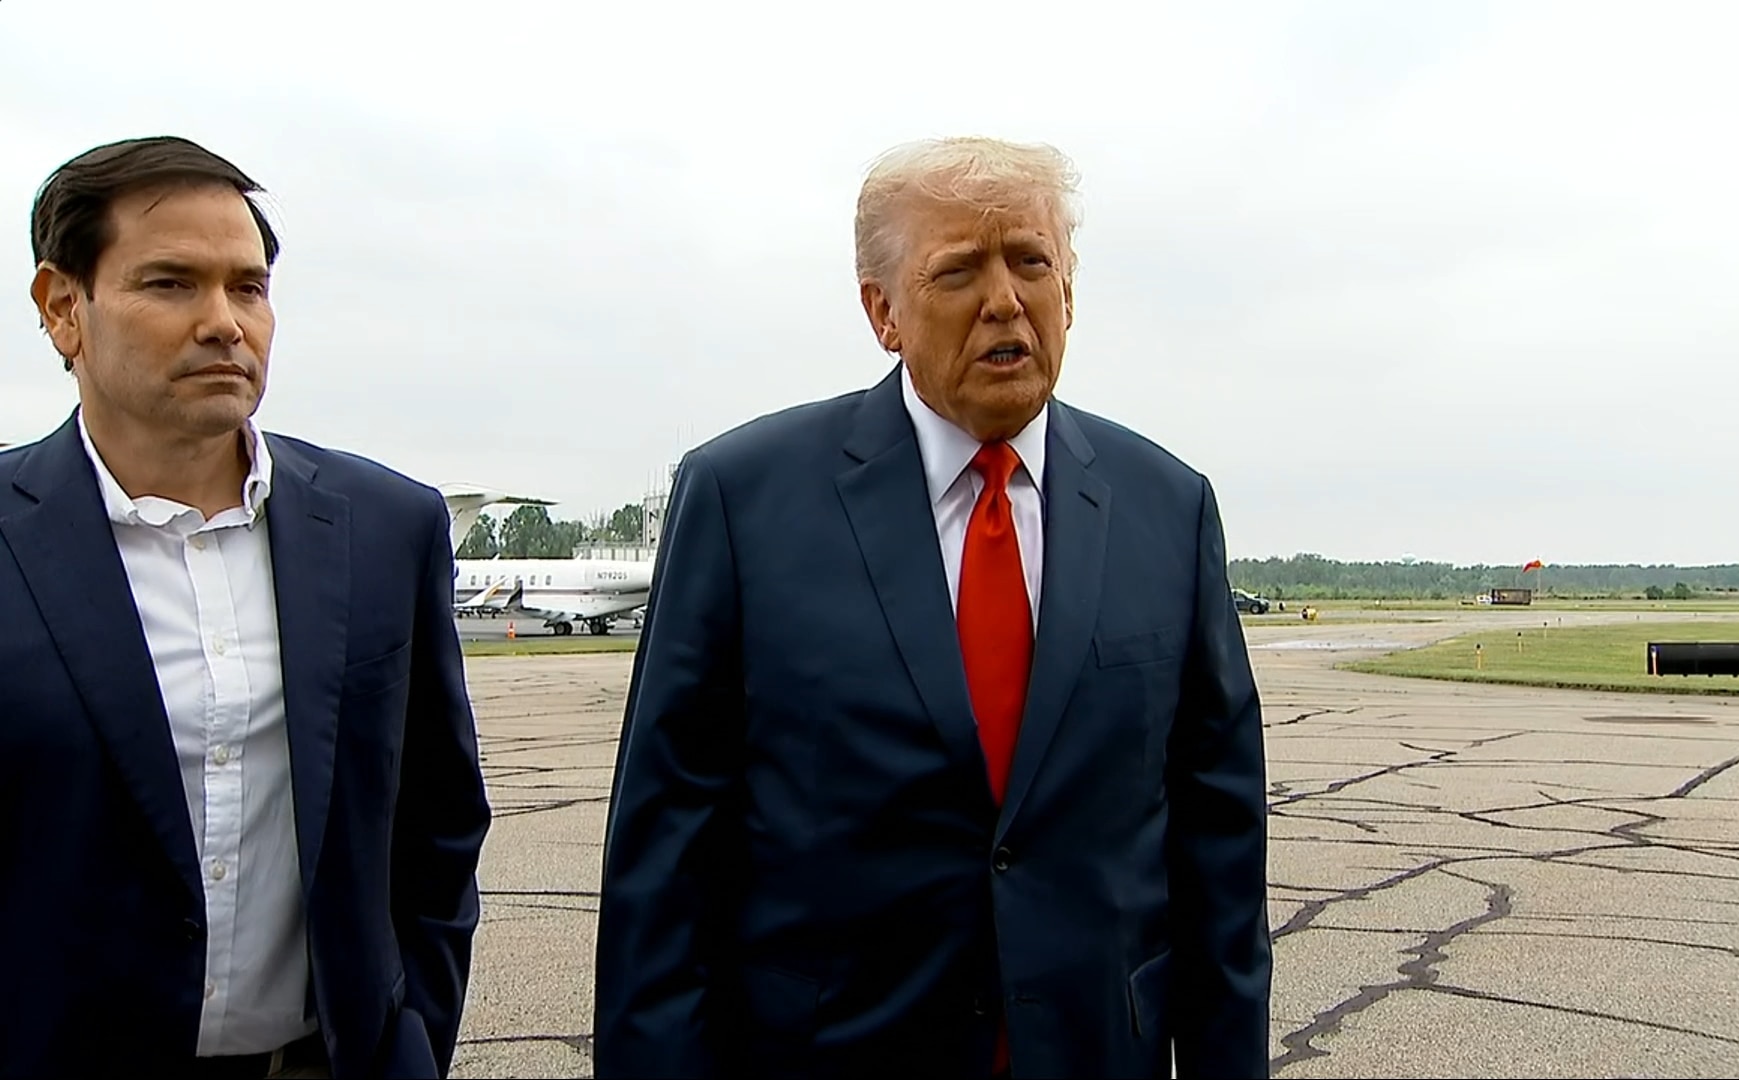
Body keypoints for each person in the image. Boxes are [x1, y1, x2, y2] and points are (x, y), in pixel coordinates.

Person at [594, 136, 1272, 1079]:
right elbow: (664, 867)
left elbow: (1220, 857)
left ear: (1069, 290)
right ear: (883, 311)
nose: (1006, 299)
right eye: (959, 271)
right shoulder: (742, 501)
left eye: (1032, 261)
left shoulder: (1168, 504)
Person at [0, 136, 491, 1078]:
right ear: (63, 307)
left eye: (249, 287)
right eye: (171, 284)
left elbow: (437, 825)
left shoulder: (386, 528)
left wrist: (412, 1032)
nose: (225, 322)